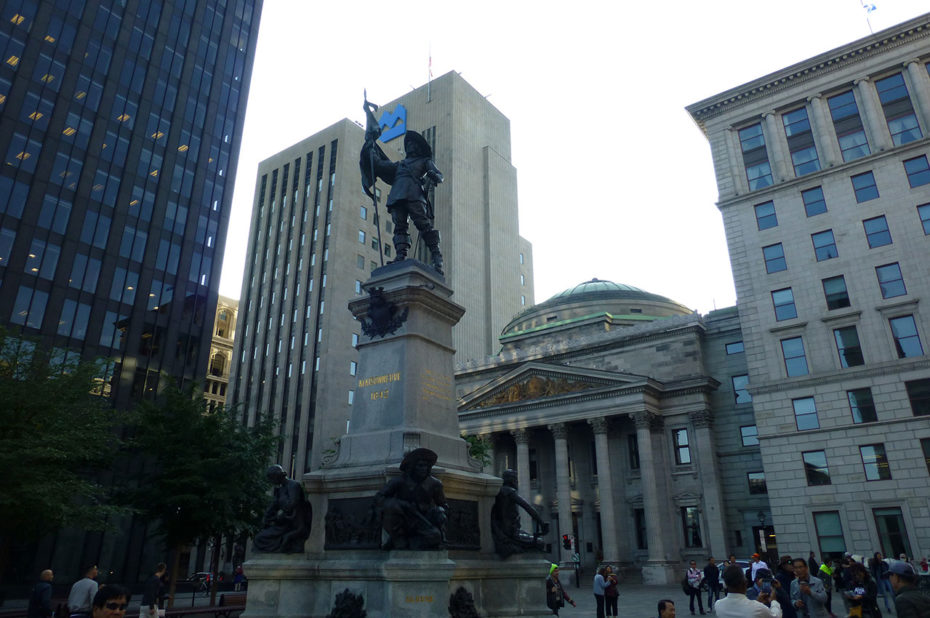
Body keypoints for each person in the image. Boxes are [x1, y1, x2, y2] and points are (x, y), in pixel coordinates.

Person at [360, 99, 445, 274]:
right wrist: (370, 147)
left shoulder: (424, 161)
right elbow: (382, 166)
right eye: (408, 144)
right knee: (400, 226)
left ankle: (437, 257)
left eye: (413, 144)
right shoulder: (400, 164)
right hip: (398, 195)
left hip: (414, 194)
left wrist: (433, 176)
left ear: (419, 147)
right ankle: (401, 255)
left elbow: (440, 176)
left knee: (423, 225)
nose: (410, 146)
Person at [375, 448, 448, 550]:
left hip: (423, 520)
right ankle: (398, 539)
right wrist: (400, 504)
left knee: (435, 536)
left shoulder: (434, 484)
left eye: (426, 466)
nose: (424, 469)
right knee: (390, 505)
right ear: (412, 467)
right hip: (403, 520)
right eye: (420, 466)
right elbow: (379, 497)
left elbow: (443, 504)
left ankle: (406, 543)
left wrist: (441, 511)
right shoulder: (399, 481)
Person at [252, 464, 313, 553]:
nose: (271, 481)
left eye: (272, 478)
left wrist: (281, 514)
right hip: (282, 523)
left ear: (277, 476)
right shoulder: (280, 490)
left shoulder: (294, 485)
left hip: (293, 524)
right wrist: (266, 517)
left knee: (263, 538)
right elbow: (273, 505)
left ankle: (281, 549)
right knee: (259, 538)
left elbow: (293, 503)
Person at [490, 469, 549, 557]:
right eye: (515, 479)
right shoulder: (510, 492)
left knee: (528, 536)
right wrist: (541, 523)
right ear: (511, 480)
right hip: (511, 532)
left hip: (505, 531)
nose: (517, 481)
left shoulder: (498, 493)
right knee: (540, 542)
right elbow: (527, 507)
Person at [713, 564, 782, 617]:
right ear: (745, 583)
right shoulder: (757, 607)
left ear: (725, 585)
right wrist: (774, 601)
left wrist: (757, 601)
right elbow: (776, 616)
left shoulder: (718, 605)